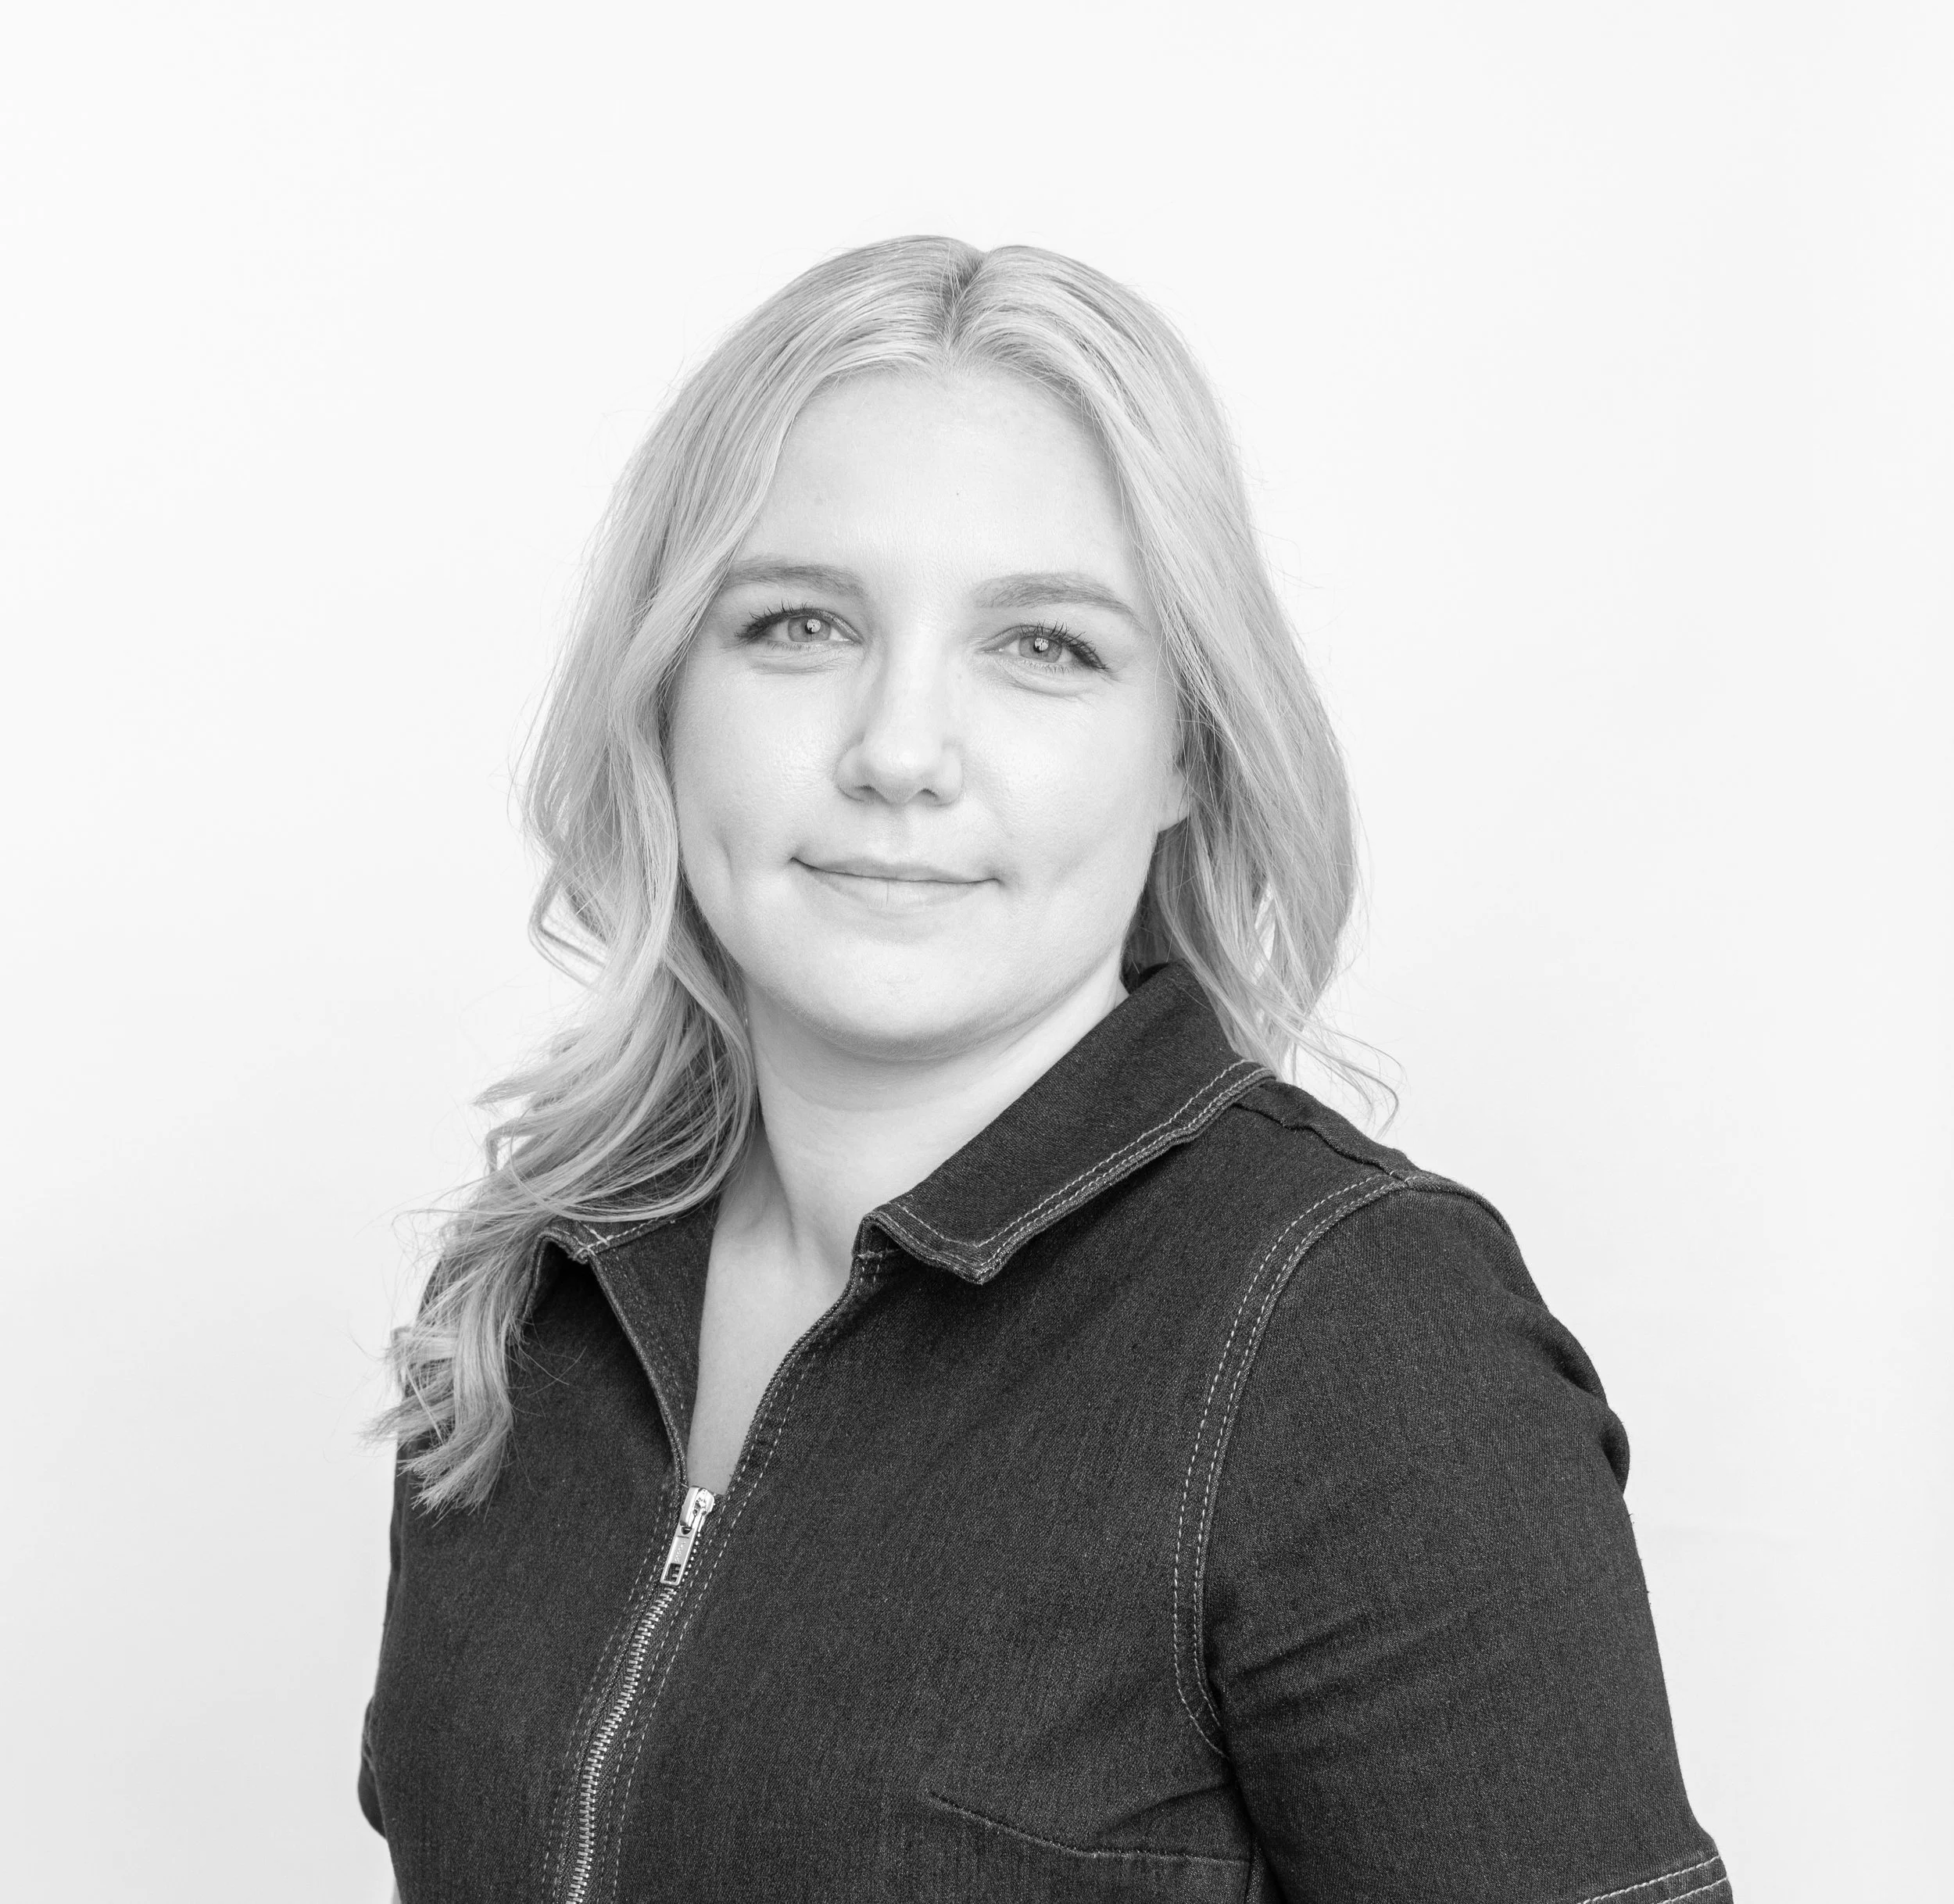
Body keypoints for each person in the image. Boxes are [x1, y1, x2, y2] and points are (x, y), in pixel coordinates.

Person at [358, 235, 1730, 1904]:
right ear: (659, 699)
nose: (898, 753)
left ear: (1184, 753)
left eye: (1045, 648)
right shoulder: (529, 1307)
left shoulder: (1353, 1343)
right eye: (795, 624)